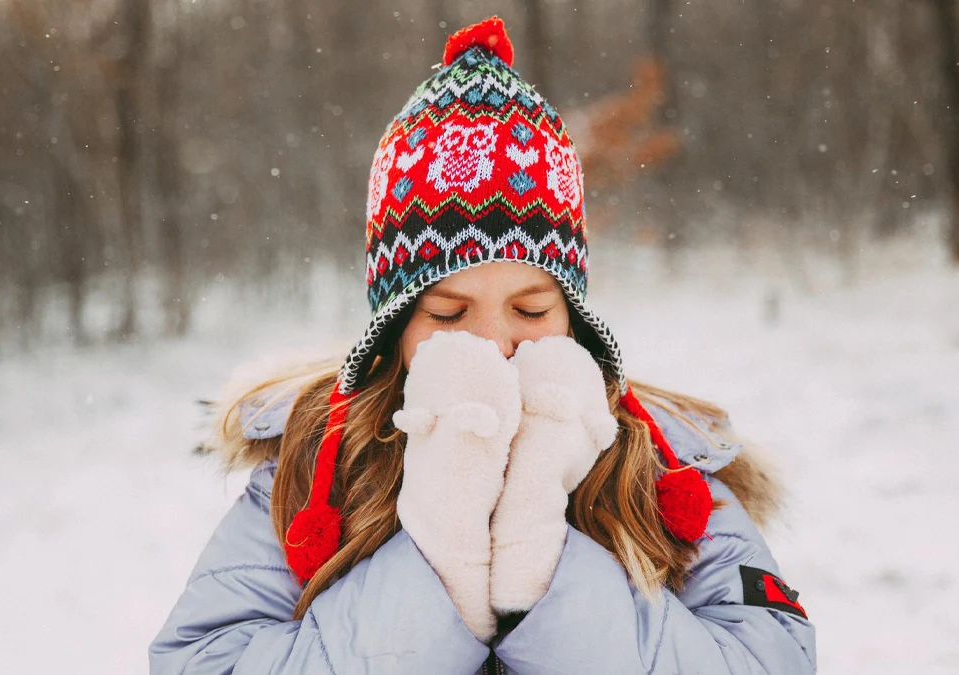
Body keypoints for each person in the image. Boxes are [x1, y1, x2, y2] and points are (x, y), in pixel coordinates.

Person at [150, 16, 816, 675]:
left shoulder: (664, 464)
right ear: (394, 326)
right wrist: (440, 559)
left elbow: (770, 658)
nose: (494, 343)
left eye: (529, 307)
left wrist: (541, 569)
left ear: (575, 317)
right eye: (447, 312)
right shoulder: (319, 464)